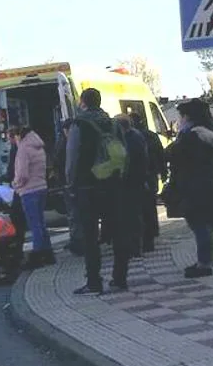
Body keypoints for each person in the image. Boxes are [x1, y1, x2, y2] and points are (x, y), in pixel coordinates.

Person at [66, 88, 130, 294]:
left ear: (83, 102)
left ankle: (94, 281)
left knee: (90, 235)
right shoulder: (113, 123)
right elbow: (124, 151)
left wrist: (70, 183)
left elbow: (72, 157)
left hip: (87, 185)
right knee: (119, 231)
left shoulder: (79, 124)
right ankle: (120, 278)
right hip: (114, 184)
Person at [166, 99, 213, 278]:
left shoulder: (191, 135)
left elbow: (176, 155)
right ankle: (203, 261)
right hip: (205, 184)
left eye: (181, 116)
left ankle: (204, 264)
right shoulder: (207, 132)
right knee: (201, 224)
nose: (179, 120)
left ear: (187, 116)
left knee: (199, 224)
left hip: (193, 185)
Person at [12, 126, 56, 269]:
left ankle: (37, 255)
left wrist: (15, 184)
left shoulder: (23, 149)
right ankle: (48, 253)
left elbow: (22, 174)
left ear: (19, 136)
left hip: (28, 190)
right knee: (40, 222)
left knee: (34, 224)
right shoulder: (38, 147)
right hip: (41, 187)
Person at [129, 112, 166, 253]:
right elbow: (160, 154)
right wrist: (163, 172)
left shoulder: (131, 137)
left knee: (139, 210)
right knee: (150, 207)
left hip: (139, 177)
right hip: (150, 175)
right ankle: (151, 235)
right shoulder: (150, 135)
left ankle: (141, 240)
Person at [115, 114, 148, 258]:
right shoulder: (137, 136)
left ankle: (133, 247)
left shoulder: (128, 140)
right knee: (134, 215)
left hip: (129, 181)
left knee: (129, 216)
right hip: (137, 180)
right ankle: (135, 246)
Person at [54, 119, 82, 256]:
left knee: (74, 214)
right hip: (69, 182)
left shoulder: (65, 143)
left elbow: (63, 163)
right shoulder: (67, 142)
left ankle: (77, 241)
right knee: (74, 214)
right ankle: (76, 240)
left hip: (69, 183)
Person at [0, 128, 27, 264]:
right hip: (28, 188)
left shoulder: (17, 149)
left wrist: (5, 178)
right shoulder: (27, 147)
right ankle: (18, 249)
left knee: (17, 218)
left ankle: (17, 251)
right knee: (23, 219)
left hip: (21, 188)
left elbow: (14, 171)